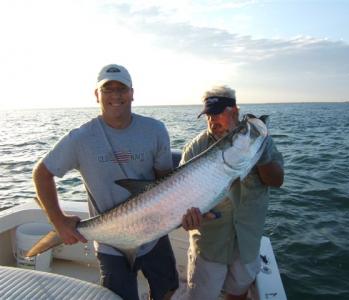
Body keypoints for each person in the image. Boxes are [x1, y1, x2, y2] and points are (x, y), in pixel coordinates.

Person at [32, 64, 179, 300]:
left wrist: (184, 211)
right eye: (107, 89)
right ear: (96, 95)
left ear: (132, 93)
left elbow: (166, 181)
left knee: (167, 290)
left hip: (154, 236)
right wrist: (59, 222)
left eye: (121, 88)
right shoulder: (80, 138)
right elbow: (42, 173)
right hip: (112, 243)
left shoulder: (155, 130)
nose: (115, 95)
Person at [180, 85, 284, 300]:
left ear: (234, 111)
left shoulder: (258, 139)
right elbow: (181, 197)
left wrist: (261, 155)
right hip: (210, 243)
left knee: (237, 294)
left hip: (247, 241)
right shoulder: (195, 148)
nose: (212, 121)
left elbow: (277, 180)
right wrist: (187, 218)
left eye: (217, 113)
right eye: (208, 115)